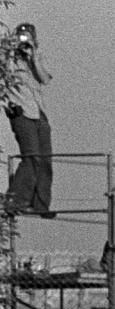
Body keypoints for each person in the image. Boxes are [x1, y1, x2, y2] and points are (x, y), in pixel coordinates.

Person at [4, 21, 52, 216]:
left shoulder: (36, 56)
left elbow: (45, 79)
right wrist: (11, 51)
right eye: (21, 36)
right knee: (31, 156)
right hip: (22, 112)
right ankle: (15, 202)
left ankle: (41, 204)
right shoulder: (9, 58)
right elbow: (4, 78)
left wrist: (33, 58)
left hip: (39, 113)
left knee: (46, 160)